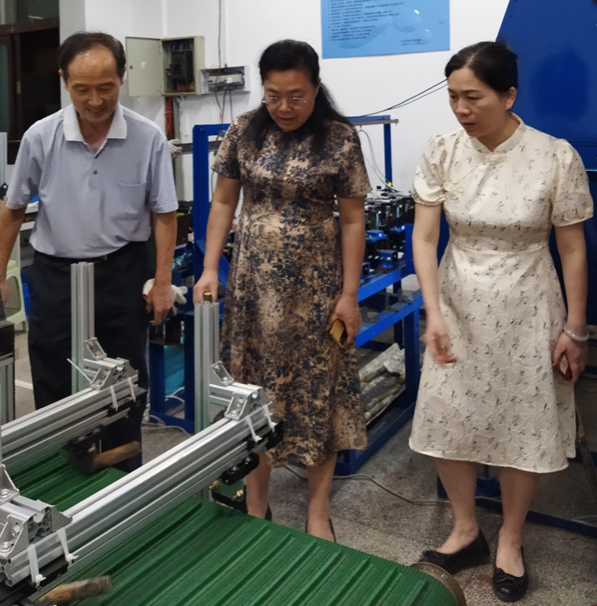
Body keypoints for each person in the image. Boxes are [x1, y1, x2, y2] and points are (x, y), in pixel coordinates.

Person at [410, 41, 593, 602]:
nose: (461, 109)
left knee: (522, 421)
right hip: (457, 300)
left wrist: (576, 329)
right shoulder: (442, 150)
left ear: (508, 95)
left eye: (473, 97)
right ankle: (466, 530)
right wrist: (432, 311)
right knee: (447, 415)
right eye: (452, 97)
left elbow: (573, 248)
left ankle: (511, 538)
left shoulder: (554, 155)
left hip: (529, 302)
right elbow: (424, 237)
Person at [193, 39, 370, 541]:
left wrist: (349, 294)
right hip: (252, 289)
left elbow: (353, 220)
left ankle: (318, 510)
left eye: (296, 96)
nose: (285, 107)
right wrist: (209, 268)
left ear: (316, 87)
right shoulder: (243, 130)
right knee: (253, 393)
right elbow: (223, 203)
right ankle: (256, 504)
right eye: (274, 96)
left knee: (319, 392)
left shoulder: (339, 138)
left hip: (317, 290)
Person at [0, 32, 178, 471]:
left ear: (122, 77)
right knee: (53, 372)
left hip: (122, 272)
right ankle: (58, 471)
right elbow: (12, 209)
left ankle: (121, 476)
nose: (95, 101)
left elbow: (164, 214)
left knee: (124, 376)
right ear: (64, 81)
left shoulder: (148, 137)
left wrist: (163, 281)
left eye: (106, 87)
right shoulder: (41, 136)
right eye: (82, 89)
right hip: (56, 275)